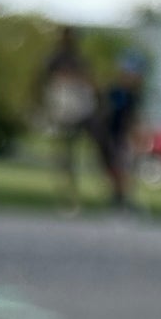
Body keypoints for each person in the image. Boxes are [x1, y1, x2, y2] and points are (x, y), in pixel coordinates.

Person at [37, 27, 99, 211]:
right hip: (62, 109)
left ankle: (76, 192)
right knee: (64, 154)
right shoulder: (54, 59)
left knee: (76, 151)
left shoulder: (79, 60)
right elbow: (43, 81)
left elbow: (89, 81)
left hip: (78, 110)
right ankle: (68, 194)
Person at [96, 53, 146, 207]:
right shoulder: (116, 91)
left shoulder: (133, 95)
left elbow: (133, 118)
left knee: (123, 167)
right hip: (110, 133)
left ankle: (121, 199)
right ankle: (118, 198)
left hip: (122, 135)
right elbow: (107, 112)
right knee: (114, 167)